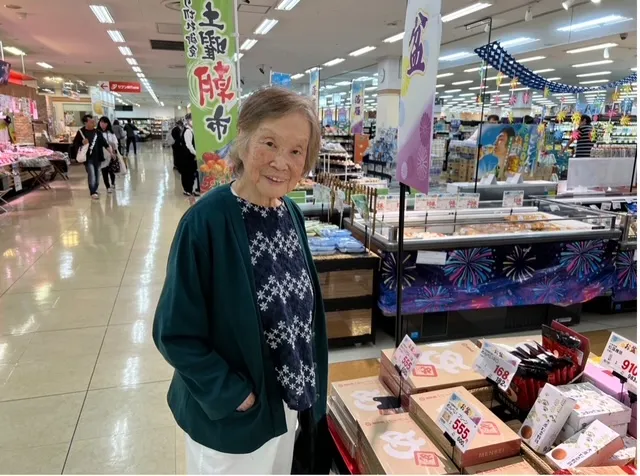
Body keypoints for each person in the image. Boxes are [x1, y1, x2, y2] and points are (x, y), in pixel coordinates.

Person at [153, 87, 327, 475]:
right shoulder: (206, 222)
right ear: (244, 141)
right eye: (270, 143)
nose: (281, 162)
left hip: (287, 406)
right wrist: (233, 394)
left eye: (296, 151)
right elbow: (174, 333)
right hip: (235, 417)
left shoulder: (291, 214)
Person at [72, 114, 111, 199]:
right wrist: (82, 143)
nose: (93, 123)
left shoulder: (97, 132)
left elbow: (104, 143)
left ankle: (95, 189)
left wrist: (111, 153)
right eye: (91, 122)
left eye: (93, 121)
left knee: (97, 175)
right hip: (88, 158)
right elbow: (75, 144)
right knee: (92, 174)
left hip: (98, 157)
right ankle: (92, 191)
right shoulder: (81, 132)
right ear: (85, 123)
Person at [177, 114, 199, 196]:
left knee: (190, 173)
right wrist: (196, 153)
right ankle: (187, 190)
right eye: (192, 119)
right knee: (187, 173)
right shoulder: (187, 131)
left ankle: (189, 189)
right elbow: (189, 145)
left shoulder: (191, 130)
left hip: (189, 156)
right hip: (187, 157)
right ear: (188, 120)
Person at [98, 116, 119, 193]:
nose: (103, 124)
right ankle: (108, 186)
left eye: (105, 122)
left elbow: (115, 142)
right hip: (102, 154)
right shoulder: (97, 133)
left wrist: (114, 152)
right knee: (104, 170)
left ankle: (113, 183)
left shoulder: (111, 133)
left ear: (108, 124)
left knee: (111, 170)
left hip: (111, 153)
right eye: (101, 122)